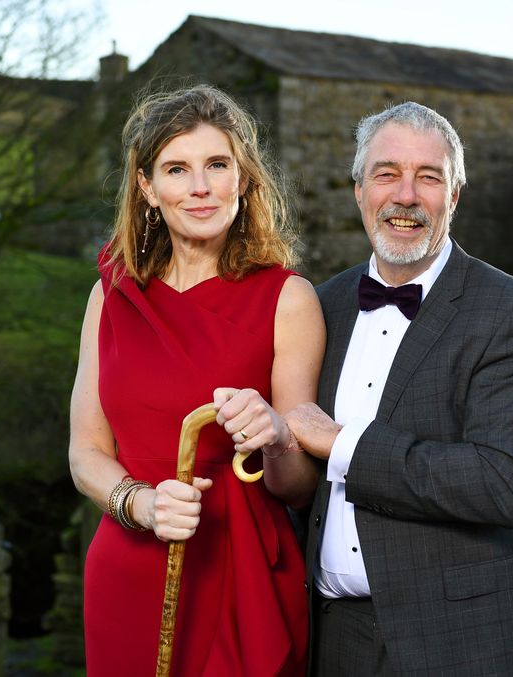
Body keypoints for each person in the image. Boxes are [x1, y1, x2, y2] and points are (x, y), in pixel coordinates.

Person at [284, 102, 513, 676]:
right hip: (332, 638)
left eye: (429, 177)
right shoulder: (317, 308)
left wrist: (342, 443)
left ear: (455, 196)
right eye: (386, 173)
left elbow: (503, 485)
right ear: (358, 190)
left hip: (465, 643)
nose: (405, 196)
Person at [68, 85, 323, 676]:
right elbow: (85, 453)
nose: (200, 187)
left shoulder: (288, 299)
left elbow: (299, 488)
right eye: (177, 169)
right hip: (127, 567)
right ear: (146, 188)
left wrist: (278, 436)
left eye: (217, 165)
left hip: (241, 571)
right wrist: (143, 504)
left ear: (244, 178)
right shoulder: (109, 297)